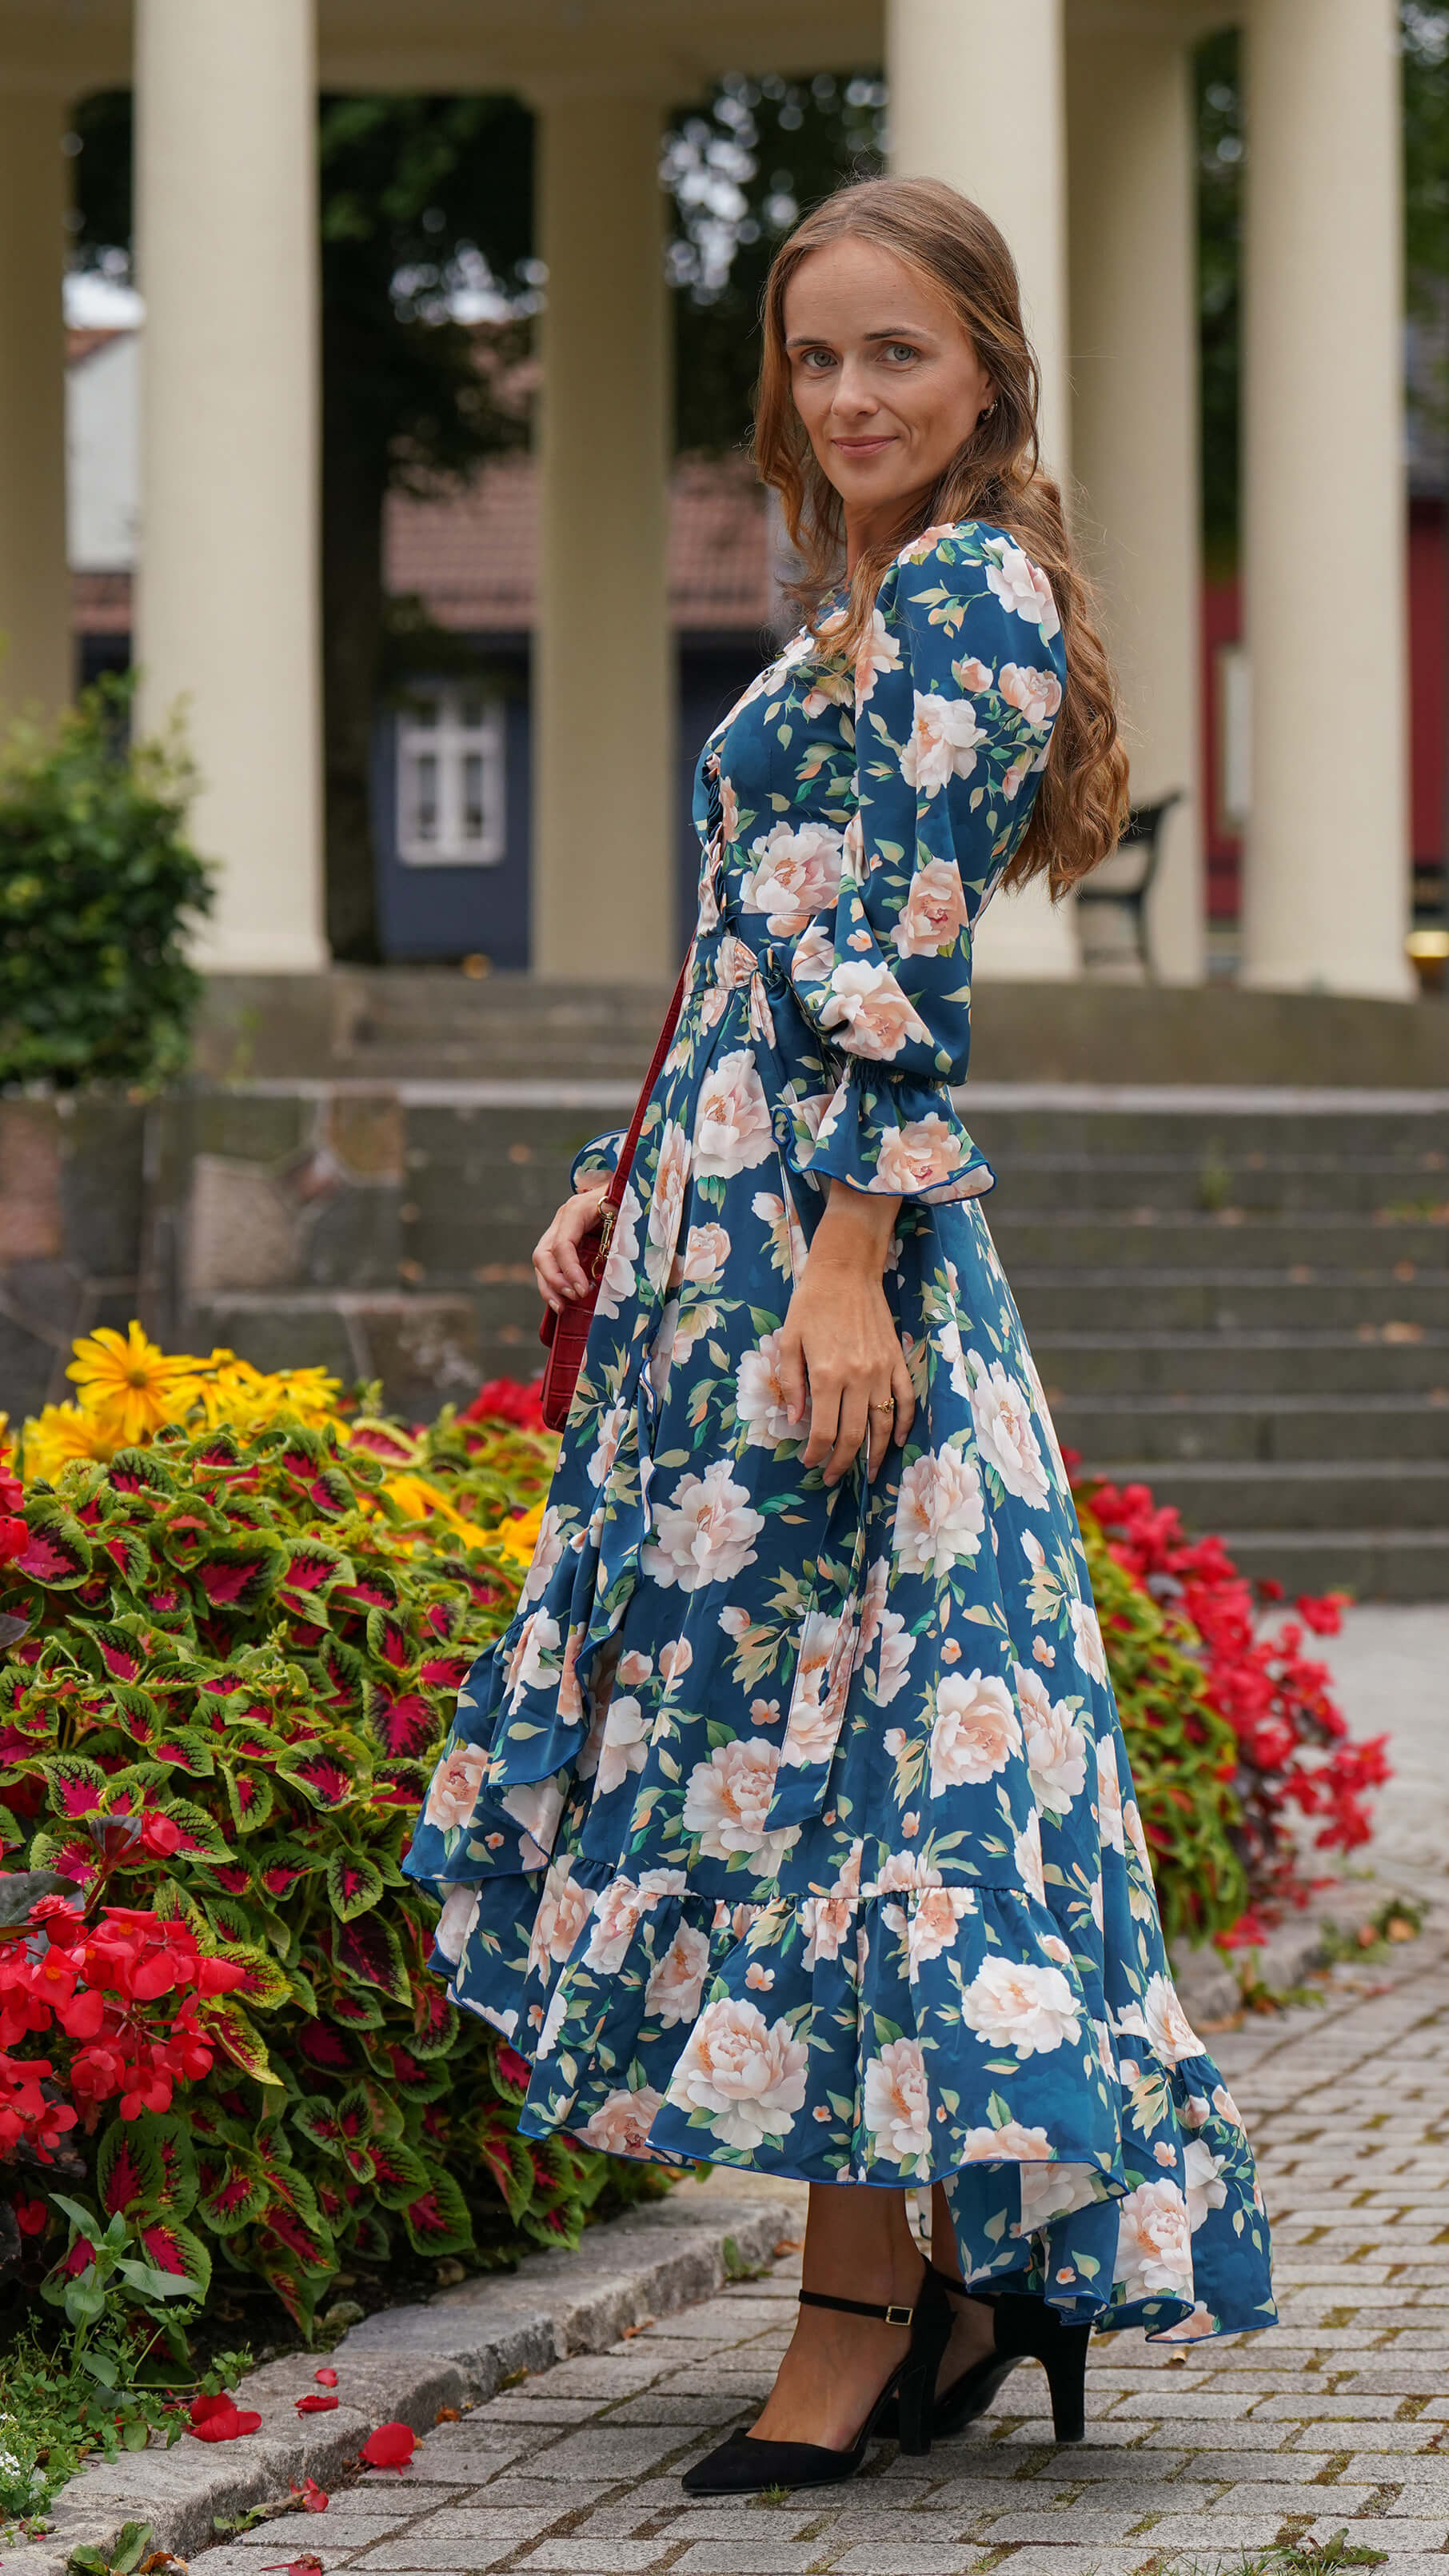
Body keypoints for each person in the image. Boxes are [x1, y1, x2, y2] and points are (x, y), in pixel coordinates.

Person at [405, 174, 1275, 2495]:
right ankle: (938, 2290)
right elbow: (754, 957)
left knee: (853, 1782)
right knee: (806, 1779)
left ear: (984, 364)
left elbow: (897, 977)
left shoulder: (971, 600)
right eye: (813, 358)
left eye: (894, 351)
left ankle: (866, 2308)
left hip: (825, 1275)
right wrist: (632, 1173)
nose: (850, 395)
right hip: (730, 1248)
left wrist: (840, 1265)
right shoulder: (859, 608)